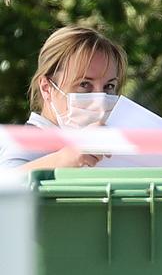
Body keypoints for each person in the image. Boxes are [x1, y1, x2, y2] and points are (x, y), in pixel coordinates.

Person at [0, 25, 127, 170]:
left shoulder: (108, 147)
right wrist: (63, 159)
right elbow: (6, 184)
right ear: (46, 88)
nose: (100, 100)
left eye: (109, 86)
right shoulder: (26, 143)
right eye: (84, 84)